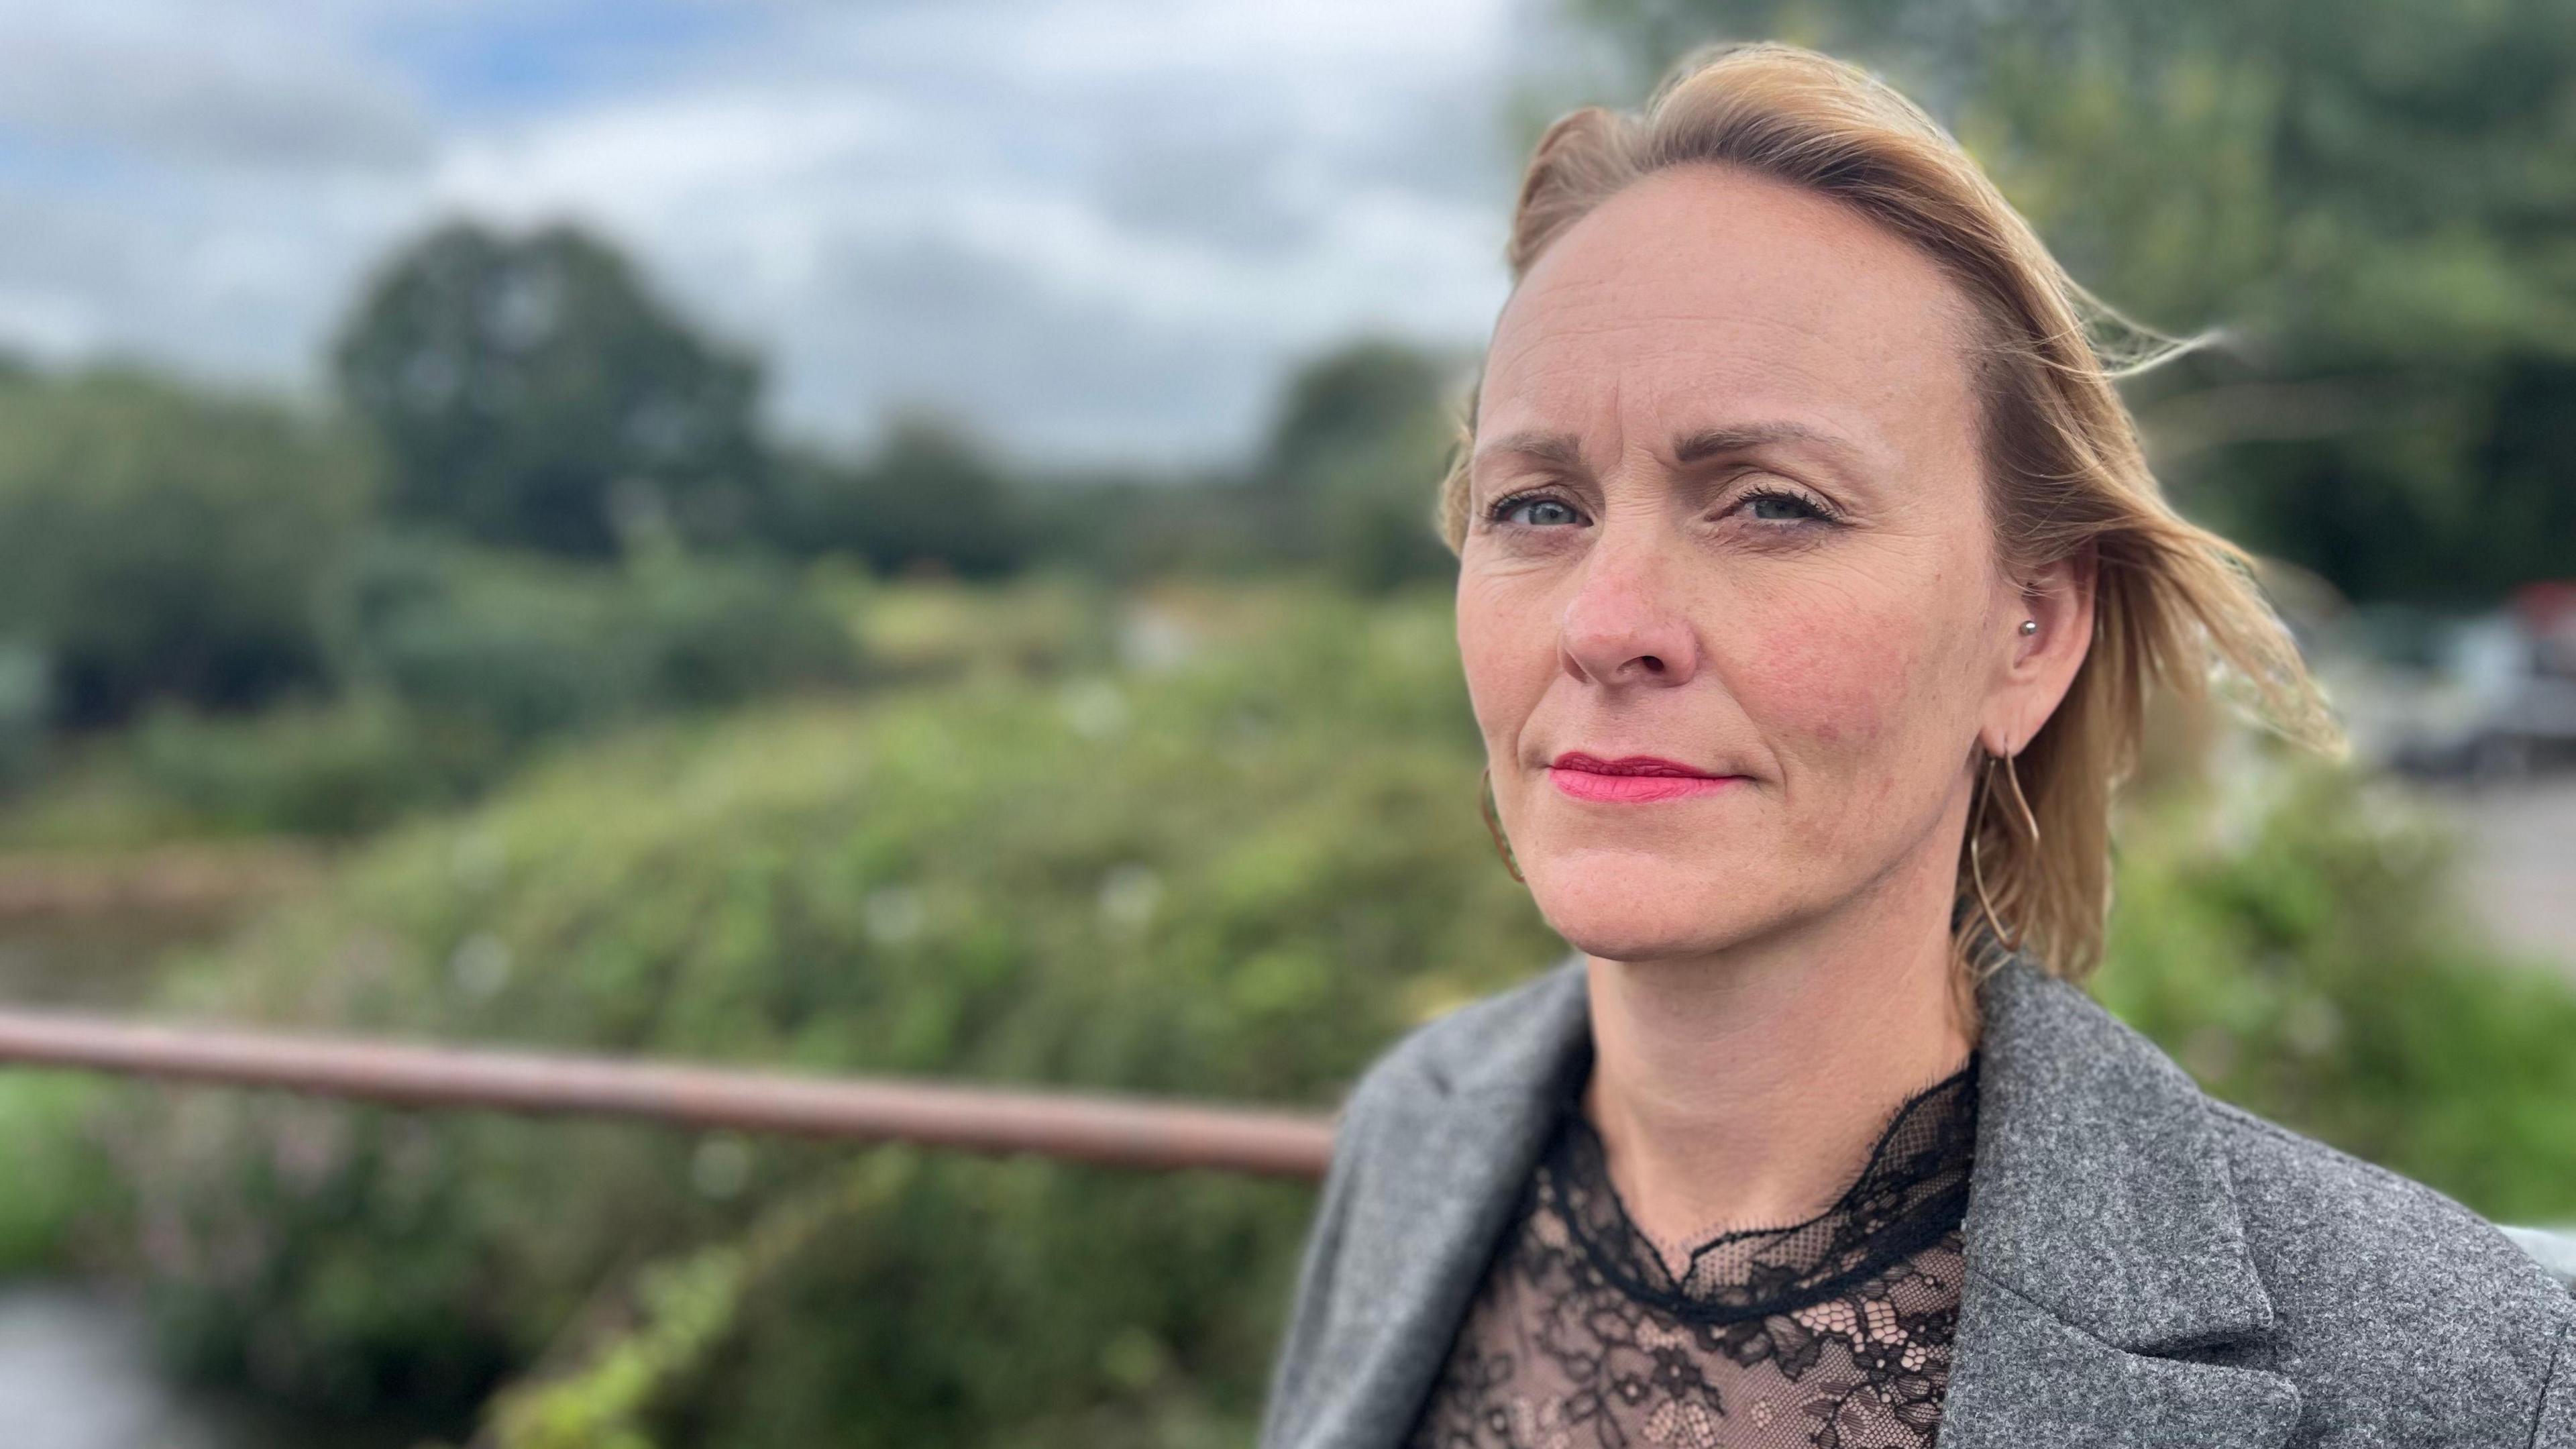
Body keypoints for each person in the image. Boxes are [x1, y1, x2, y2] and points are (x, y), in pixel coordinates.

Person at [1254, 40, 2575, 1449]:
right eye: (1535, 507)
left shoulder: (2464, 1379)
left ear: (2031, 636)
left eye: (1771, 503)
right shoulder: (1414, 1131)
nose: (1603, 620)